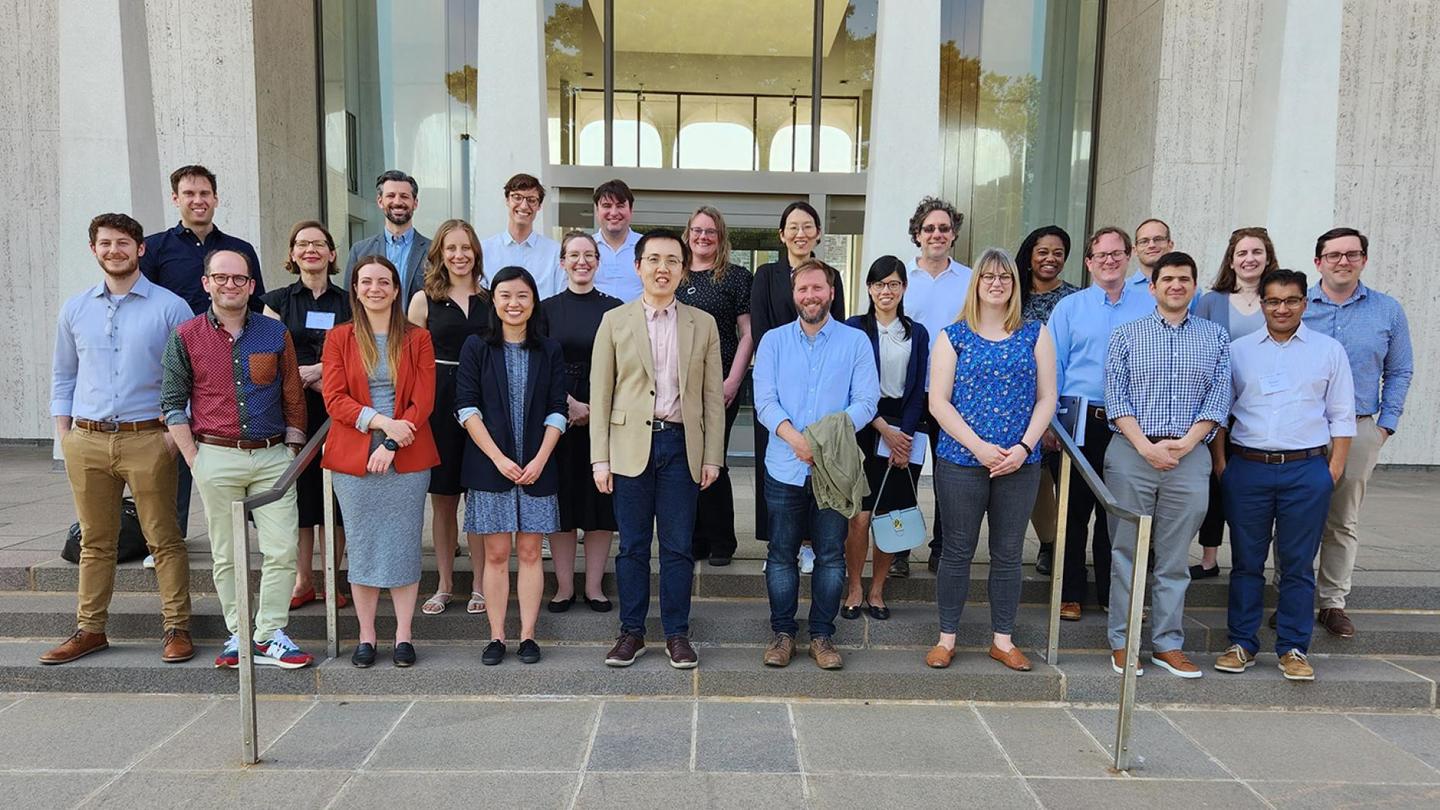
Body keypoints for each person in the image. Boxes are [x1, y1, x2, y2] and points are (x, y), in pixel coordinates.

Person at [42, 213, 195, 665]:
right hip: (86, 440)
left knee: (163, 538)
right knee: (96, 540)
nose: (115, 250)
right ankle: (90, 629)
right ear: (94, 249)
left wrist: (172, 436)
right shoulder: (75, 308)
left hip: (148, 437)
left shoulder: (170, 307)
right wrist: (64, 435)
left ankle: (177, 628)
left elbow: (190, 376)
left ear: (140, 249)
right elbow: (63, 374)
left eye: (123, 243)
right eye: (106, 243)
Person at [160, 250, 313, 670]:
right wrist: (194, 458)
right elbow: (172, 403)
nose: (231, 285)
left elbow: (292, 396)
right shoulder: (186, 336)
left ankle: (269, 634)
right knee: (227, 554)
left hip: (272, 457)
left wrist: (293, 453)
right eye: (221, 278)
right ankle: (238, 634)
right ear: (207, 282)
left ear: (251, 285)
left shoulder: (273, 333)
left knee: (281, 549)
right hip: (215, 455)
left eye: (239, 279)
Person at [591, 229, 725, 669]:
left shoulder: (701, 324)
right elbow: (602, 391)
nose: (662, 268)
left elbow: (711, 397)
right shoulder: (615, 321)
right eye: (653, 259)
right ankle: (631, 631)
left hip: (680, 445)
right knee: (630, 546)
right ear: (638, 266)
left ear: (683, 270)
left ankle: (676, 633)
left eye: (672, 260)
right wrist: (600, 458)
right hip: (630, 446)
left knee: (677, 547)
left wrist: (712, 456)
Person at [1214, 269, 1354, 682]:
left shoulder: (1328, 351)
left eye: (1291, 300)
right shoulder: (1239, 350)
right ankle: (1241, 643)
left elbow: (1342, 416)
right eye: (1273, 301)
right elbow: (1221, 412)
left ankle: (1293, 648)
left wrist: (1331, 471)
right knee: (1245, 563)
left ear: (1304, 303)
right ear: (1262, 305)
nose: (1282, 308)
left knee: (1296, 565)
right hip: (1247, 468)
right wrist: (1222, 465)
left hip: (1306, 470)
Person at [924, 248, 1057, 672]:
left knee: (1007, 552)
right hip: (962, 460)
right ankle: (947, 638)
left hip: (1019, 463)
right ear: (976, 283)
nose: (996, 284)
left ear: (1015, 285)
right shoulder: (953, 336)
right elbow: (938, 403)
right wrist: (978, 446)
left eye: (1005, 277)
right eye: (988, 277)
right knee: (957, 550)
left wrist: (1022, 448)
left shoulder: (1035, 334)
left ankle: (1003, 639)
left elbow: (1047, 397)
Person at [1103, 251, 1231, 679]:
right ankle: (1123, 642)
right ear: (1153, 287)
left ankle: (1167, 644)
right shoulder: (1127, 335)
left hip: (1188, 456)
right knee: (1127, 552)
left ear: (1195, 287)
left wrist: (1188, 442)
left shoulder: (1214, 337)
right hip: (1131, 452)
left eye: (1185, 279)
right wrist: (1145, 446)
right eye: (1168, 279)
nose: (1176, 285)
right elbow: (1115, 396)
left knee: (1174, 557)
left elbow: (1219, 396)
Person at [753, 259, 878, 671]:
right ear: (794, 294)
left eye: (818, 288)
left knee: (830, 556)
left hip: (835, 471)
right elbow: (765, 402)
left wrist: (820, 443)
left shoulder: (855, 341)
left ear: (832, 292)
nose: (810, 296)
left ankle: (822, 635)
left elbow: (866, 402)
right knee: (782, 552)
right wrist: (797, 440)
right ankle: (783, 633)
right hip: (784, 467)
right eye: (803, 289)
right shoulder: (772, 342)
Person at [322, 256, 439, 668]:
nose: (375, 288)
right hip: (354, 458)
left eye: (383, 282)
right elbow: (334, 398)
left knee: (404, 544)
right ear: (355, 288)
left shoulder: (417, 338)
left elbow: (423, 398)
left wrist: (392, 438)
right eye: (366, 281)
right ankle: (367, 635)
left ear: (395, 289)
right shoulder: (339, 338)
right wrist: (381, 424)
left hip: (405, 454)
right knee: (364, 544)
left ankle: (403, 635)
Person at [142, 164, 266, 551]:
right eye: (190, 194)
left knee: (243, 436)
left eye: (205, 194)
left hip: (234, 359)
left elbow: (257, 306)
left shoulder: (239, 249)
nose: (198, 201)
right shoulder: (157, 248)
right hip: (181, 361)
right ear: (176, 199)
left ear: (216, 198)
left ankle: (262, 524)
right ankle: (173, 535)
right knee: (179, 446)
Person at [1302, 227, 1413, 638]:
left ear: (1364, 259)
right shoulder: (1299, 307)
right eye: (1333, 255)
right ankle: (1291, 595)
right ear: (1319, 262)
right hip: (1304, 432)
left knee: (1342, 520)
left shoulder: (1387, 310)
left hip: (1361, 426)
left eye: (1352, 254)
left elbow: (1400, 369)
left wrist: (1386, 425)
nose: (1343, 262)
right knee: (1296, 518)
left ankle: (1332, 602)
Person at [455, 267, 568, 666]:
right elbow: (466, 408)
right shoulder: (476, 346)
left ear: (533, 300)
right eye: (505, 295)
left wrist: (540, 458)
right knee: (498, 553)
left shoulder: (549, 349)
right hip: (490, 466)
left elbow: (558, 409)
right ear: (494, 301)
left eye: (522, 295)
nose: (513, 303)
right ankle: (497, 636)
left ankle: (528, 636)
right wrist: (499, 459)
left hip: (539, 465)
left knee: (531, 552)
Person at [1047, 227, 1155, 622]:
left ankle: (1116, 595)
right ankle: (1070, 592)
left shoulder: (1149, 305)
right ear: (1089, 262)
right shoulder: (1069, 308)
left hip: (1130, 426)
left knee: (1121, 513)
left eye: (1116, 254)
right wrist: (1049, 425)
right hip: (1080, 419)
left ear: (1128, 257)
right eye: (1100, 255)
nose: (1109, 261)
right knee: (1073, 513)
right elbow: (1053, 368)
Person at [260, 220, 352, 610]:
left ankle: (332, 578)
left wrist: (322, 373)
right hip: (294, 410)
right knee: (301, 496)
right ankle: (303, 581)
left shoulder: (349, 301)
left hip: (340, 410)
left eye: (319, 243)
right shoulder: (276, 301)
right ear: (293, 254)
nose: (310, 249)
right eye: (302, 244)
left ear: (332, 254)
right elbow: (267, 354)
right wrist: (303, 375)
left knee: (337, 496)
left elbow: (360, 351)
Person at [749, 201, 845, 551]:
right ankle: (779, 543)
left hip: (822, 385)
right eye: (793, 227)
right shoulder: (766, 275)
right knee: (775, 465)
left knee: (821, 464)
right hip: (779, 386)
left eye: (807, 226)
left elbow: (840, 330)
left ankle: (810, 544)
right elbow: (760, 331)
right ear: (782, 234)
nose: (800, 233)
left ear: (818, 233)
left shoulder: (830, 276)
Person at [406, 219, 490, 617]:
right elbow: (408, 362)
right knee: (443, 500)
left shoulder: (491, 299)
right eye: (451, 248)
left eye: (466, 248)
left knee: (478, 499)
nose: (459, 255)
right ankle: (444, 584)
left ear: (476, 252)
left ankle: (479, 584)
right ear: (439, 253)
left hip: (482, 403)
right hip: (438, 403)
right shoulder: (424, 300)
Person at [841, 256, 928, 621]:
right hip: (863, 426)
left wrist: (903, 437)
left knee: (891, 516)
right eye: (879, 284)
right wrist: (882, 429)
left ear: (904, 288)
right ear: (869, 289)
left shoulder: (918, 333)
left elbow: (919, 389)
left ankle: (877, 589)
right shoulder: (853, 328)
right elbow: (846, 385)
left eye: (893, 284)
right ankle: (855, 587)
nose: (886, 291)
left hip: (904, 428)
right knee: (859, 516)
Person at [1191, 227, 1280, 578]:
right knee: (1215, 480)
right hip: (1218, 405)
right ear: (1231, 260)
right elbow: (1197, 348)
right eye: (1242, 253)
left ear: (1268, 257)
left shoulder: (1276, 298)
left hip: (1262, 406)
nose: (1249, 259)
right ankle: (1210, 557)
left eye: (1256, 252)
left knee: (1250, 486)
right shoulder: (1213, 301)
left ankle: (1251, 560)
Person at [542, 232, 622, 611]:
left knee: (598, 502)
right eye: (573, 255)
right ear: (562, 262)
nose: (582, 261)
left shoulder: (616, 309)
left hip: (605, 415)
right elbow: (540, 364)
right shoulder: (545, 309)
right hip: (558, 417)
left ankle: (593, 586)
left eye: (589, 255)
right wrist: (569, 403)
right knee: (563, 503)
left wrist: (597, 408)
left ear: (597, 261)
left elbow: (626, 367)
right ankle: (562, 587)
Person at [896, 196, 972, 576]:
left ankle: (942, 547)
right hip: (909, 391)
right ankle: (898, 549)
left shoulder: (971, 280)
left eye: (944, 228)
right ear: (917, 234)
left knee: (950, 473)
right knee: (903, 470)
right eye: (929, 228)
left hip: (956, 394)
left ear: (954, 233)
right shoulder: (900, 279)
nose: (937, 234)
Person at [676, 206, 754, 566]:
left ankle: (722, 540)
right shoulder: (674, 274)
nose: (703, 237)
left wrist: (734, 380)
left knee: (714, 459)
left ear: (720, 237)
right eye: (697, 230)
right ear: (687, 233)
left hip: (721, 382)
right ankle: (695, 538)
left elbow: (747, 333)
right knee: (687, 460)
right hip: (678, 385)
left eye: (710, 231)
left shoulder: (736, 277)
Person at [1017, 225, 1078, 577]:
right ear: (1030, 254)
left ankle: (1063, 546)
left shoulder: (1074, 298)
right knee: (1036, 474)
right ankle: (1048, 542)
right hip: (1018, 398)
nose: (1050, 259)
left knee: (1062, 473)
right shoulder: (1014, 295)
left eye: (1057, 253)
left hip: (1061, 396)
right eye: (1043, 252)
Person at [345, 170, 432, 305]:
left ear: (415, 203)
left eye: (404, 196)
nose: (397, 202)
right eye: (391, 196)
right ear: (380, 202)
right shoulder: (360, 251)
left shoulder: (434, 251)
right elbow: (350, 301)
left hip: (418, 325)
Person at [479, 173, 564, 298]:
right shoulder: (484, 250)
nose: (524, 206)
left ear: (539, 206)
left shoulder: (555, 252)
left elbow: (560, 298)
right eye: (517, 197)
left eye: (531, 200)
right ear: (507, 200)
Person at [591, 178, 643, 301]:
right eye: (606, 206)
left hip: (638, 319)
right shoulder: (586, 248)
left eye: (620, 206)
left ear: (631, 210)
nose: (613, 213)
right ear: (597, 211)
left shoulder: (646, 246)